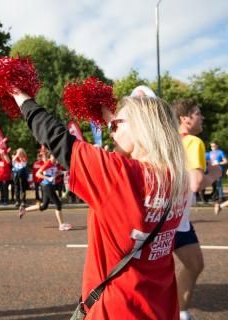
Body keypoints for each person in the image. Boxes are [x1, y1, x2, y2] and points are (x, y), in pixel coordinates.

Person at [10, 88, 190, 319]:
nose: (110, 132)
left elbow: (57, 138)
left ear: (141, 129)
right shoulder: (177, 177)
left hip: (116, 309)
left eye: (116, 126)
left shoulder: (120, 175)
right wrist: (114, 120)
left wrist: (19, 96)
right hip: (162, 307)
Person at [172, 99, 222, 320]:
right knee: (193, 265)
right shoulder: (193, 142)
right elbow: (195, 183)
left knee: (194, 264)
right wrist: (215, 174)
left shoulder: (169, 141)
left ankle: (179, 311)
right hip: (175, 219)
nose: (202, 117)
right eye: (198, 113)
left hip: (164, 216)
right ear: (185, 118)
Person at [19, 153, 72, 231]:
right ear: (50, 157)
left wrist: (61, 173)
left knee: (44, 206)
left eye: (56, 157)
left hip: (48, 186)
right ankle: (61, 225)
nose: (55, 159)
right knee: (58, 204)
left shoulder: (54, 164)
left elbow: (54, 174)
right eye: (53, 157)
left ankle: (24, 210)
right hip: (47, 186)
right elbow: (38, 174)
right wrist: (48, 178)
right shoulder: (48, 163)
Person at [206, 142, 227, 207]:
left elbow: (225, 161)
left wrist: (219, 163)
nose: (213, 147)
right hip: (211, 170)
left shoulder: (220, 152)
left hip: (218, 170)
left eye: (214, 146)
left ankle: (221, 197)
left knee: (218, 184)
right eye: (211, 146)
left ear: (217, 146)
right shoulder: (209, 153)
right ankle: (215, 196)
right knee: (213, 184)